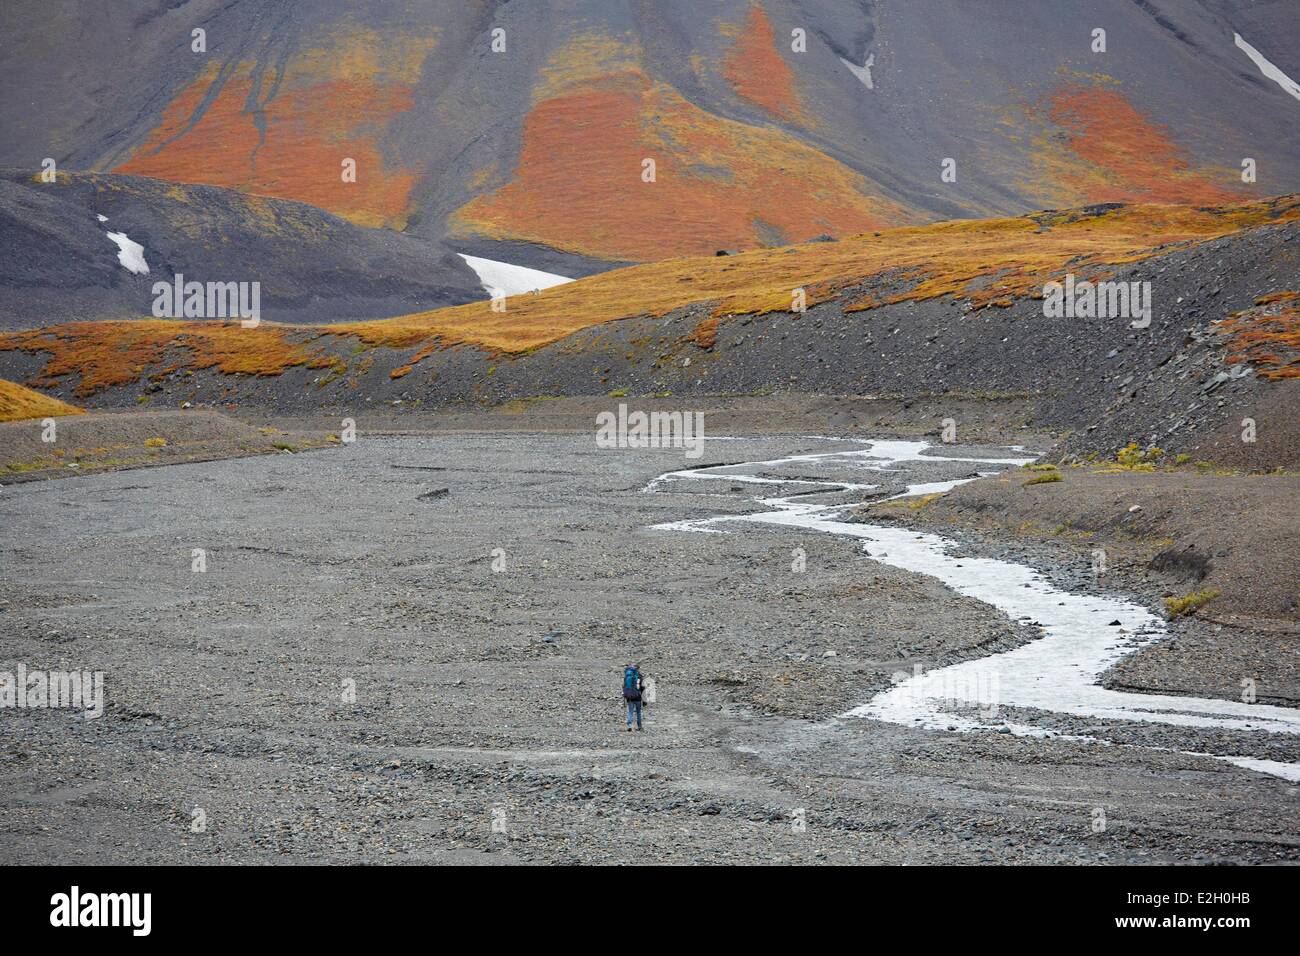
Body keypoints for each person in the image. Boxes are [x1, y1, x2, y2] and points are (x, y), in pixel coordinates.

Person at [622, 664, 645, 732]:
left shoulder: (626, 676)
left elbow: (624, 686)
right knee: (638, 712)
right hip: (638, 696)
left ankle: (629, 725)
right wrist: (644, 700)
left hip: (629, 697)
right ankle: (639, 726)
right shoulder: (639, 676)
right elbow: (642, 688)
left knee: (630, 712)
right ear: (637, 669)